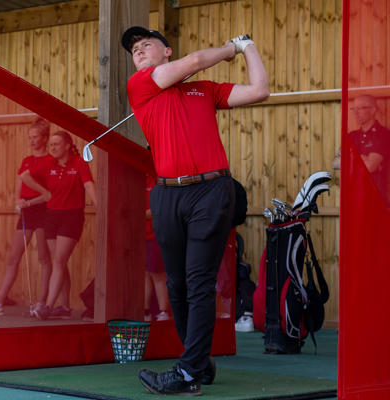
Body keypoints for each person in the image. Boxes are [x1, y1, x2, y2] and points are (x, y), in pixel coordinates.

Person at [122, 27, 268, 395]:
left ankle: (188, 372)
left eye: (146, 45)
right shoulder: (140, 84)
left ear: (166, 50)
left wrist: (248, 48)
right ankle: (198, 359)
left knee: (199, 281)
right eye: (134, 50)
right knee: (177, 284)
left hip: (211, 191)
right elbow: (197, 60)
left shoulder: (203, 90)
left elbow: (259, 90)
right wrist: (230, 47)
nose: (138, 52)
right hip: (168, 194)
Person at [19, 131, 97, 321]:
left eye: (56, 144)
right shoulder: (48, 163)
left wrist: (99, 206)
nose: (52, 148)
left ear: (68, 146)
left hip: (71, 216)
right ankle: (64, 307)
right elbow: (25, 176)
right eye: (51, 144)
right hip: (51, 216)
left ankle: (47, 306)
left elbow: (88, 186)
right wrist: (44, 192)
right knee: (58, 262)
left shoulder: (79, 163)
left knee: (60, 261)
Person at [0, 118, 53, 316]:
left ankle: (41, 303)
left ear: (44, 138)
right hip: (26, 212)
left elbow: (49, 192)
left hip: (42, 210)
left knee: (43, 257)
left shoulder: (49, 161)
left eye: (35, 137)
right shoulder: (26, 161)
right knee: (13, 257)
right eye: (29, 138)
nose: (31, 141)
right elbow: (19, 185)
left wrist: (30, 202)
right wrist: (18, 201)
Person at [332, 95, 388, 195]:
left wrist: (350, 157)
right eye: (354, 109)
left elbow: (370, 167)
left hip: (376, 197)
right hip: (353, 195)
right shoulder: (352, 136)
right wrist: (363, 158)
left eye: (360, 108)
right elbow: (336, 164)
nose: (356, 113)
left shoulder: (383, 134)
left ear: (373, 110)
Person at [144, 175, 170, 323]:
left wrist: (136, 213)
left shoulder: (158, 181)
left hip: (156, 234)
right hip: (138, 234)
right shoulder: (137, 179)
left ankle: (163, 311)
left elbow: (159, 210)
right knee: (144, 275)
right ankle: (145, 311)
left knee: (157, 274)